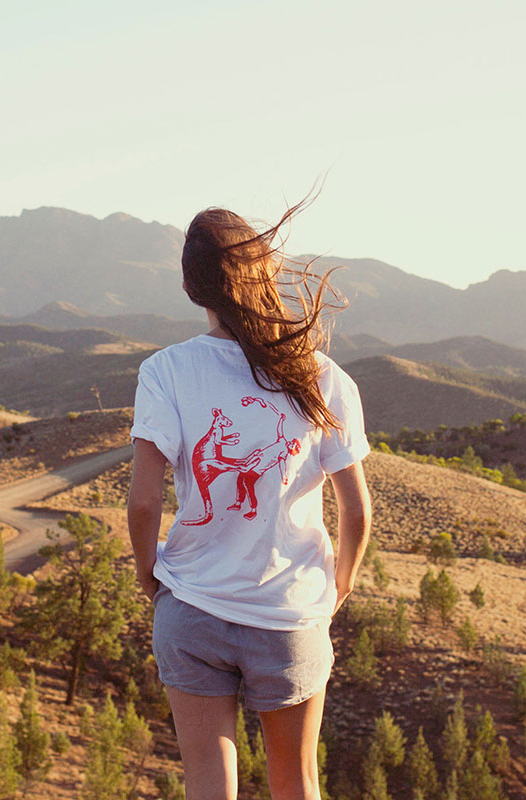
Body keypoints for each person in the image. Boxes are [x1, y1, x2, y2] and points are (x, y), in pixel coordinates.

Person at [126, 200, 373, 800]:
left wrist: (149, 575)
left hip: (192, 605)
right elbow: (357, 509)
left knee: (208, 787)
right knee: (297, 782)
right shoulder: (323, 376)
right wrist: (339, 585)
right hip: (289, 615)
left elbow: (141, 501)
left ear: (190, 287)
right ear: (265, 275)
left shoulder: (165, 371)